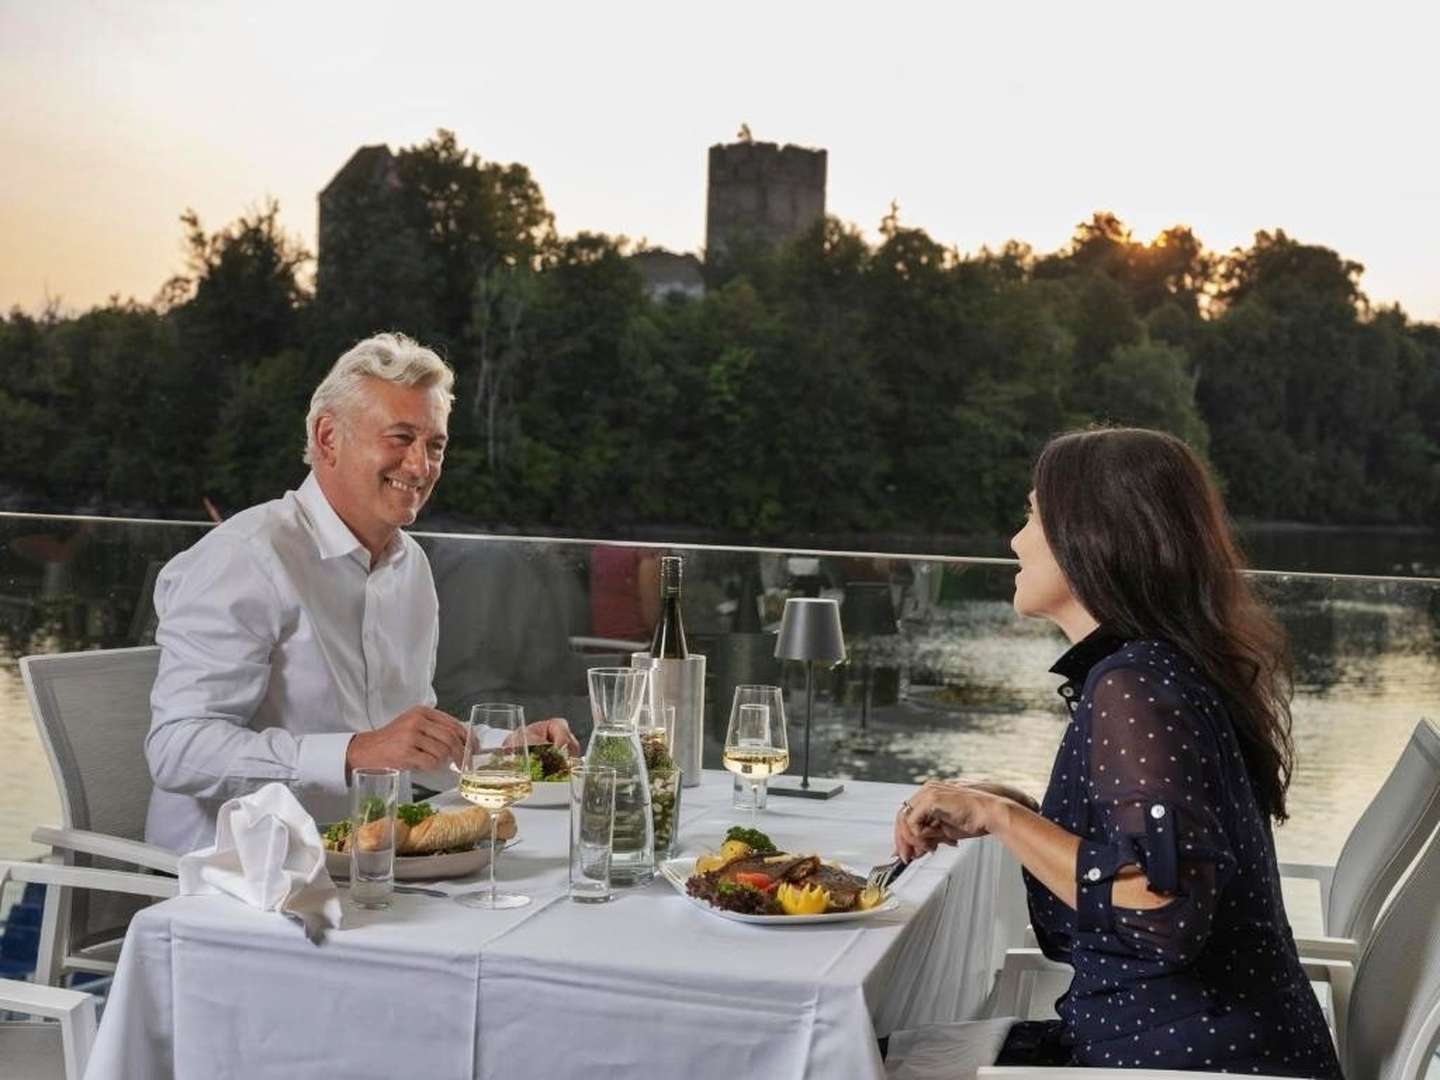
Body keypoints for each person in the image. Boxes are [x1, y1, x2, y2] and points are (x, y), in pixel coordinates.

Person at [888, 428, 1342, 1076]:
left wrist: (1004, 821)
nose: (1017, 540)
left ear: (1092, 538)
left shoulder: (1136, 686)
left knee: (843, 1060)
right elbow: (1145, 851)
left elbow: (1166, 908)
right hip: (1194, 1046)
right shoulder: (1163, 668)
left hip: (1181, 1064)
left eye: (1033, 515)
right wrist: (1003, 805)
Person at [145, 333, 577, 853]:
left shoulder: (409, 565)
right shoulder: (246, 556)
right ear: (328, 438)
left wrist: (501, 749)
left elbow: (404, 742)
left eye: (434, 445)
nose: (420, 467)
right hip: (237, 875)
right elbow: (177, 749)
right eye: (399, 438)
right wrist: (353, 753)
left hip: (370, 862)